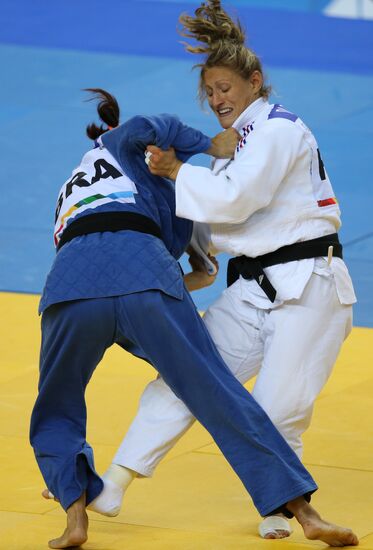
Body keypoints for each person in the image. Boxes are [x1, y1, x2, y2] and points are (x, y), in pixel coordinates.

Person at [32, 87, 359, 549]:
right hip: (144, 275)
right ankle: (304, 512)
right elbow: (188, 261)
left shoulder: (70, 188)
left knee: (56, 406)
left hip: (70, 287)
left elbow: (96, 258)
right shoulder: (133, 148)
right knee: (214, 387)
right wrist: (210, 144)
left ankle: (74, 517)